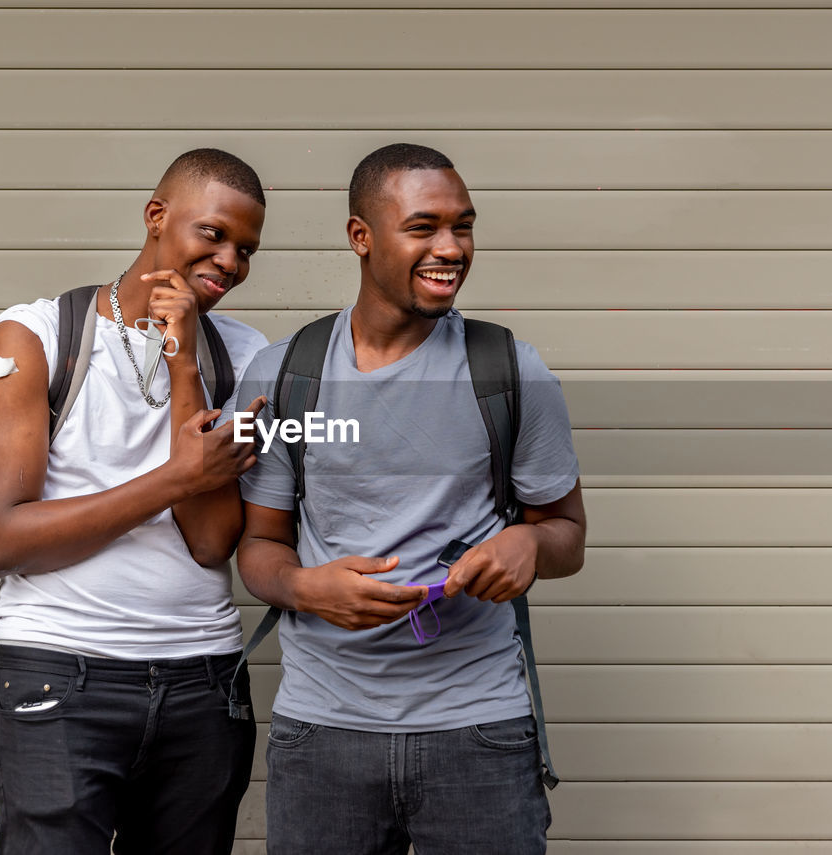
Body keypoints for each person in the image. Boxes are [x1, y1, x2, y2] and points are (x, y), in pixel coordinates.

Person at [234, 143, 587, 855]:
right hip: (322, 733)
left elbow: (567, 534)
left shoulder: (511, 370)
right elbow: (259, 547)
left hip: (478, 729)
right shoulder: (284, 374)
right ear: (361, 237)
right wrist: (306, 587)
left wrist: (527, 543)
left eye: (463, 226)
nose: (451, 248)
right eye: (424, 227)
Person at [0, 148, 271, 854]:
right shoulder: (38, 336)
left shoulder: (248, 355)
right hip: (56, 677)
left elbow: (210, 541)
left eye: (247, 248)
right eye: (214, 234)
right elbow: (2, 537)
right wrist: (174, 480)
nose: (229, 260)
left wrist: (186, 361)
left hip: (203, 684)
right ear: (157, 217)